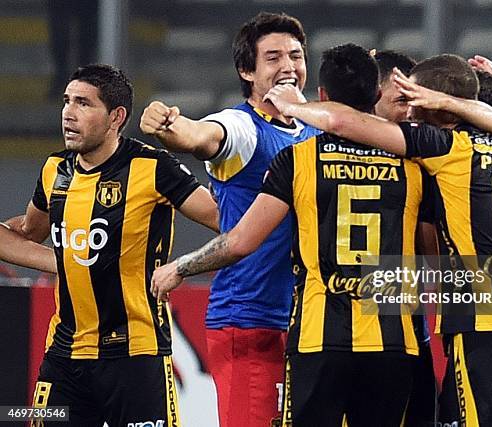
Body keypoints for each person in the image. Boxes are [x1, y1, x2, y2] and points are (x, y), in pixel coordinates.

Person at [264, 53, 492, 427]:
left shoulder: (445, 149)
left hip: (484, 327)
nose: (412, 112)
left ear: (443, 107)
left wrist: (294, 106)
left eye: (417, 101)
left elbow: (344, 122)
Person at [150, 43, 427, 427]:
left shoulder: (297, 159)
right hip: (394, 338)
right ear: (378, 94)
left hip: (320, 336)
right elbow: (430, 247)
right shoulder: (414, 163)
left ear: (322, 96)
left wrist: (182, 266)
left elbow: (241, 240)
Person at [5, 64, 218, 426]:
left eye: (84, 104)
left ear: (116, 116)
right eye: (67, 101)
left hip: (137, 357)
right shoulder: (54, 169)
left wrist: (185, 266)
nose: (68, 114)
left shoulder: (152, 167)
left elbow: (232, 224)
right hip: (64, 358)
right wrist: (68, 262)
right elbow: (26, 231)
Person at [139, 12, 320, 427]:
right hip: (251, 321)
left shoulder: (313, 125)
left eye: (296, 55)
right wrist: (171, 128)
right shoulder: (243, 128)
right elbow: (202, 136)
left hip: (307, 324)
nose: (288, 66)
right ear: (246, 70)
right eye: (272, 58)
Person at [373, 49, 437, 427]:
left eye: (416, 101)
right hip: (360, 333)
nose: (411, 112)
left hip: (411, 325)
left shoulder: (425, 156)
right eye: (401, 100)